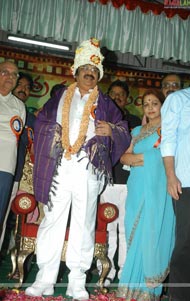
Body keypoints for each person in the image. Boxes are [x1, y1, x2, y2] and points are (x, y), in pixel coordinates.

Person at [25, 38, 131, 299]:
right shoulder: (60, 96)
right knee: (52, 220)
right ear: (75, 71)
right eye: (86, 68)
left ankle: (77, 281)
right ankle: (44, 279)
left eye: (95, 71)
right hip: (59, 167)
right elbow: (40, 123)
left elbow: (123, 132)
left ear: (99, 75)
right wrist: (52, 133)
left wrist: (111, 131)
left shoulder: (106, 103)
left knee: (84, 223)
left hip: (88, 169)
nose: (90, 73)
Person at [117, 88, 175, 301]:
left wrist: (138, 158)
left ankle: (148, 292)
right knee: (133, 232)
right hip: (136, 187)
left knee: (151, 233)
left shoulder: (168, 130)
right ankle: (130, 287)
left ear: (162, 106)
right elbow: (124, 157)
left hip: (156, 189)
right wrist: (143, 157)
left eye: (154, 103)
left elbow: (165, 156)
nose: (150, 108)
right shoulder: (136, 131)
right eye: (146, 104)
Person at [160, 60, 190, 301]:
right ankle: (181, 297)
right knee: (185, 242)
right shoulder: (179, 99)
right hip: (187, 180)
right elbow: (168, 138)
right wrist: (170, 175)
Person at [98, 80, 141, 286]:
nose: (117, 97)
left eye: (121, 94)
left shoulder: (135, 120)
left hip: (129, 182)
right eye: (113, 94)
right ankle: (105, 272)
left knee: (125, 229)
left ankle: (125, 272)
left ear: (126, 98)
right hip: (106, 181)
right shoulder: (101, 119)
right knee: (107, 228)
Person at [0, 72, 35, 252]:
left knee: (3, 218)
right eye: (20, 85)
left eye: (28, 88)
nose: (23, 89)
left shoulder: (29, 116)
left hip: (14, 174)